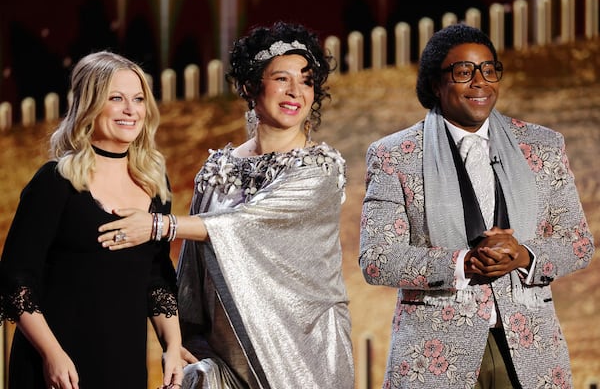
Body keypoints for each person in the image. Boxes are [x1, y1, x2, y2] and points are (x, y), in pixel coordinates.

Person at [97, 21, 355, 389]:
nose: (296, 91)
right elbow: (194, 264)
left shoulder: (319, 170)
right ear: (251, 86)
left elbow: (247, 224)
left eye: (307, 80)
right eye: (282, 78)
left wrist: (157, 225)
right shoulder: (220, 167)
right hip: (224, 353)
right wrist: (184, 334)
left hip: (301, 355)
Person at [359, 24, 594, 389]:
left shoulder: (542, 146)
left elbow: (578, 244)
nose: (480, 82)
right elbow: (376, 259)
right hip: (434, 356)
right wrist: (461, 263)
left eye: (489, 69)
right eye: (464, 72)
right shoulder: (394, 156)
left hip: (530, 350)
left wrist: (524, 256)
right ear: (436, 84)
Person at [0, 51, 184, 389]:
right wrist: (52, 355)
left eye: (139, 99)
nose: (131, 110)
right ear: (90, 104)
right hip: (57, 369)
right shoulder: (55, 182)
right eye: (116, 98)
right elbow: (16, 280)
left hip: (123, 364)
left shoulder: (155, 183)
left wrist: (172, 346)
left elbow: (157, 279)